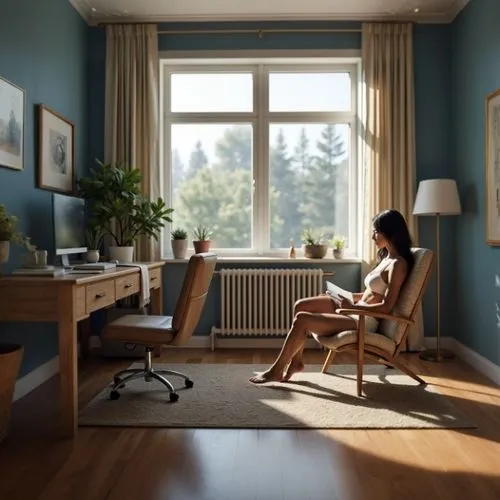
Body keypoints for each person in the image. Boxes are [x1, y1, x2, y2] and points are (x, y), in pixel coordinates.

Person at [249, 209, 414, 384]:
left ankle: (276, 370)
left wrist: (352, 307)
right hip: (356, 310)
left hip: (364, 321)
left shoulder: (398, 265)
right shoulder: (386, 259)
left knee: (302, 319)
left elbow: (387, 306)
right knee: (300, 305)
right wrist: (343, 295)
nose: (373, 236)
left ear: (390, 231)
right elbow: (370, 294)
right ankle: (296, 362)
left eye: (376, 231)